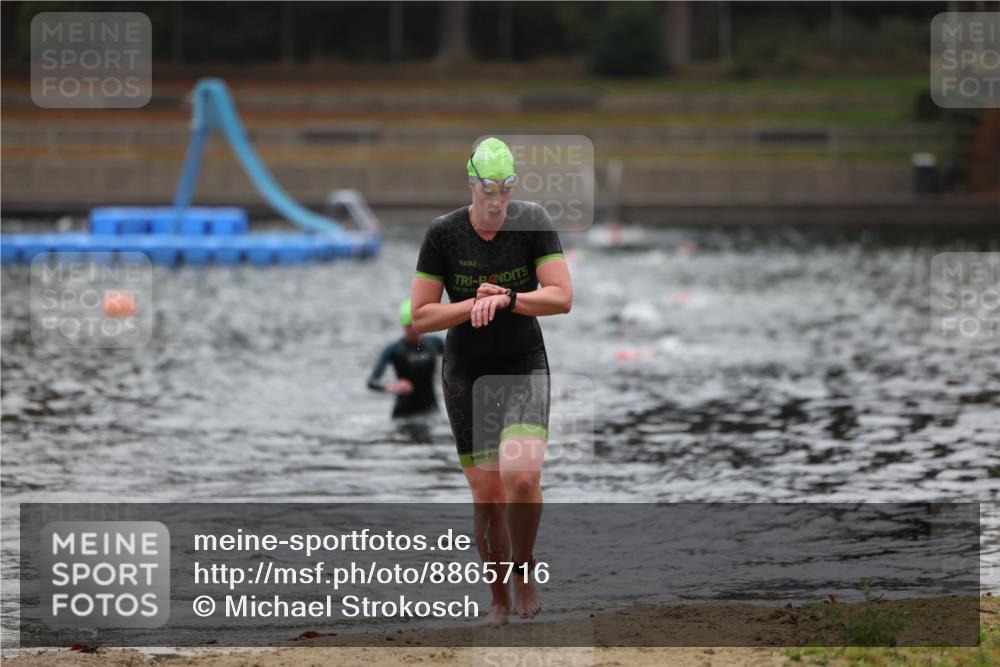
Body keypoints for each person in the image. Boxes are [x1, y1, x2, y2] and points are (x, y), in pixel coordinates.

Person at [410, 137, 573, 626]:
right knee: (488, 496)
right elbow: (421, 317)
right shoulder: (443, 233)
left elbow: (562, 297)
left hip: (523, 364)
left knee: (521, 477)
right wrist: (474, 305)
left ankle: (525, 570)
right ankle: (498, 598)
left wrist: (508, 299)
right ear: (471, 184)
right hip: (467, 370)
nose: (498, 201)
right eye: (489, 190)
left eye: (506, 189)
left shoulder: (533, 222)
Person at [367, 298, 444, 419]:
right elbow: (372, 382)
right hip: (403, 417)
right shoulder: (394, 349)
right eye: (408, 325)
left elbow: (456, 359)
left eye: (415, 324)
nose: (413, 329)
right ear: (403, 325)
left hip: (432, 413)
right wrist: (392, 387)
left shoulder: (434, 343)